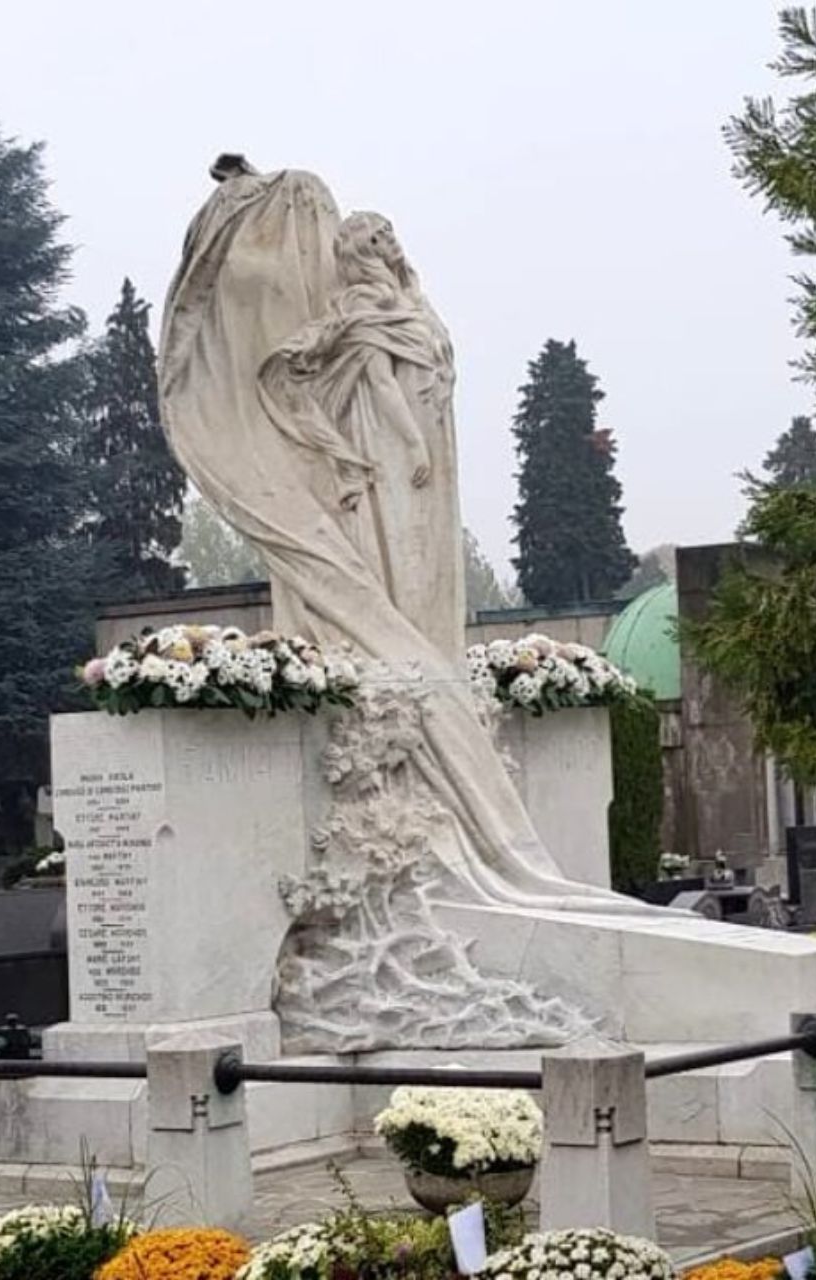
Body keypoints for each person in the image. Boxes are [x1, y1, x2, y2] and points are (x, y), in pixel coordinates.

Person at [159, 160, 661, 916]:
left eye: (381, 246)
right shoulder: (360, 317)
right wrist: (410, 449)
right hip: (387, 468)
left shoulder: (406, 308)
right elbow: (377, 389)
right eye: (368, 248)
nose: (379, 255)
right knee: (391, 584)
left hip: (419, 476)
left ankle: (416, 675)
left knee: (420, 591)